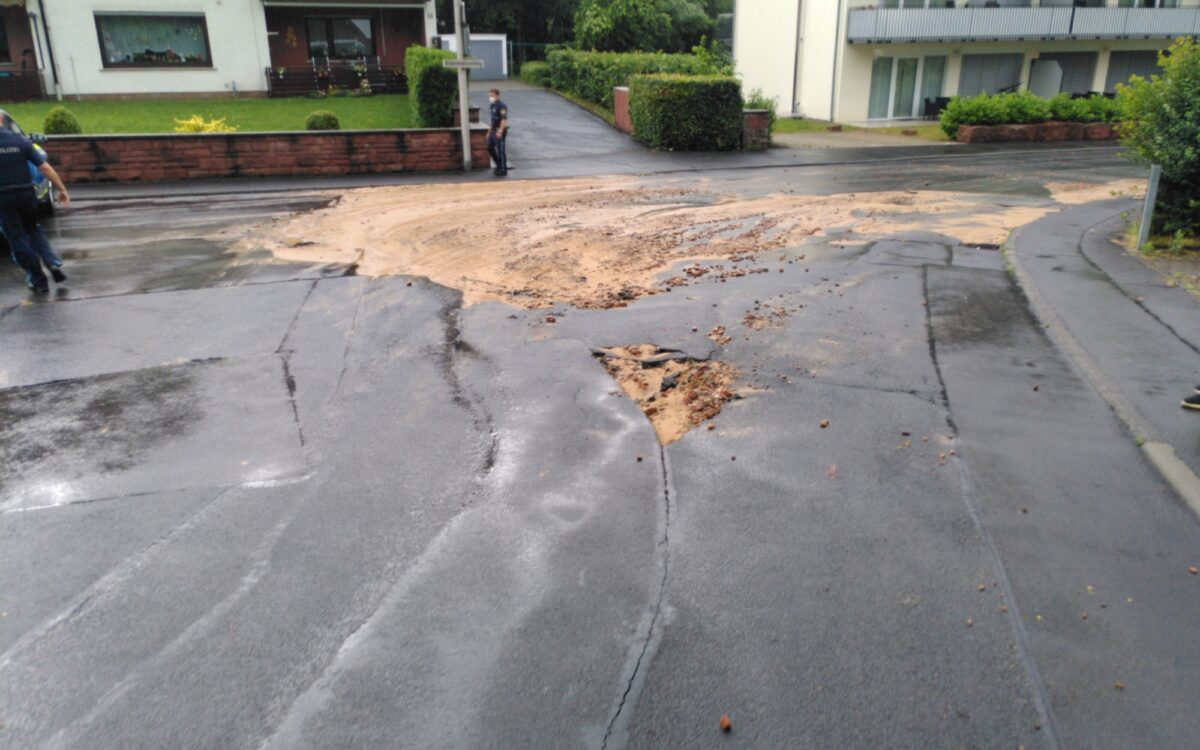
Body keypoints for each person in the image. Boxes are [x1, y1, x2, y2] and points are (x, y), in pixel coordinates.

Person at [0, 122, 68, 292]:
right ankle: (51, 261)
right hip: (26, 194)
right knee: (33, 229)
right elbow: (44, 166)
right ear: (1, 120)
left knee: (17, 236)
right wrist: (61, 188)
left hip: (3, 198)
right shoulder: (20, 141)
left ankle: (37, 277)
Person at [487, 88, 508, 177]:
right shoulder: (492, 105)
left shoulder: (502, 106)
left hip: (499, 131)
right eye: (489, 96)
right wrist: (489, 131)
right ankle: (498, 164)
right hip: (493, 130)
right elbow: (493, 120)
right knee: (489, 147)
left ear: (497, 95)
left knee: (501, 150)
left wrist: (500, 131)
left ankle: (503, 169)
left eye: (492, 96)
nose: (490, 98)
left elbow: (503, 120)